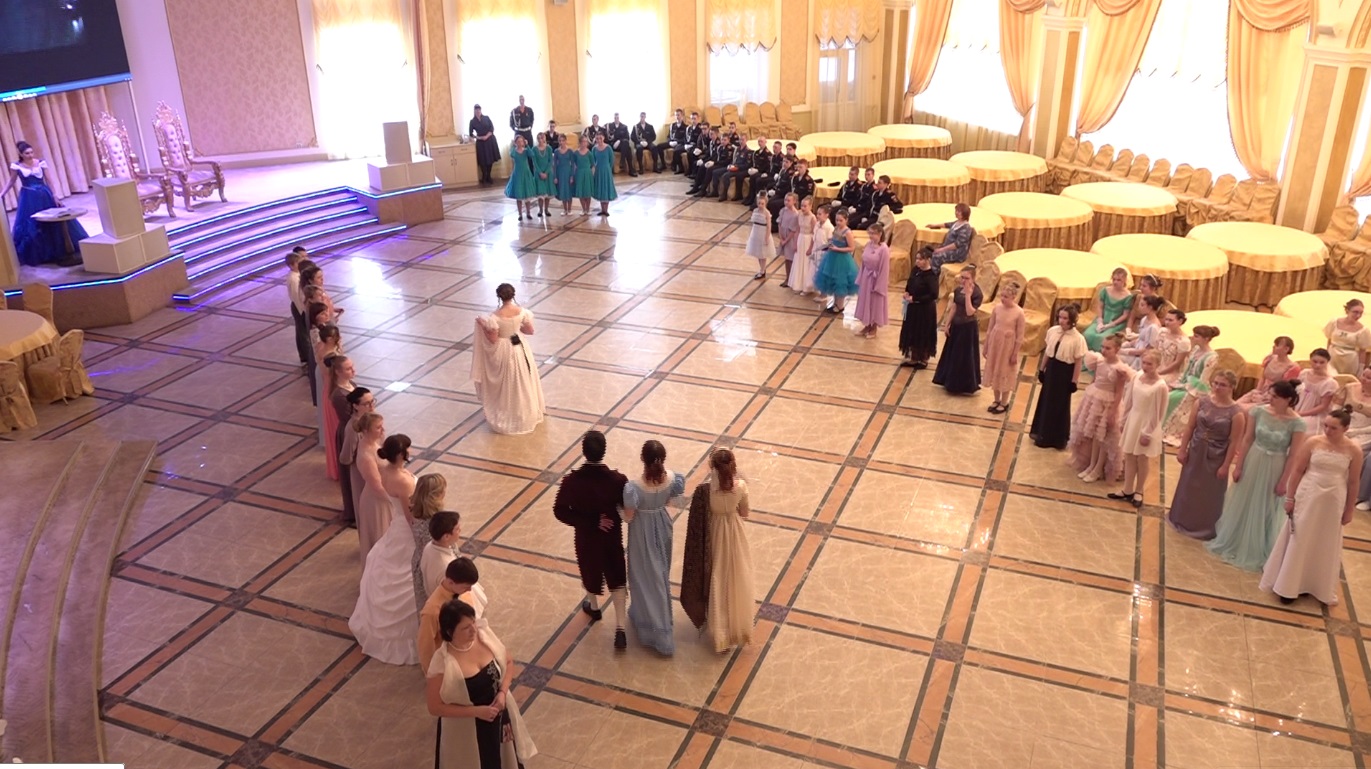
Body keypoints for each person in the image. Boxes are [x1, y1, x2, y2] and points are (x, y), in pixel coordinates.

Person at [1260, 407, 1362, 606]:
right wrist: (1290, 498)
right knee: (1300, 537)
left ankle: (1311, 584)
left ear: (1346, 429)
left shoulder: (1354, 450)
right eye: (1326, 426)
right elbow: (1298, 471)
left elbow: (1353, 482)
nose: (1327, 431)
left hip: (1333, 500)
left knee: (1323, 541)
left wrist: (1349, 509)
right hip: (1309, 494)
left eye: (1333, 428)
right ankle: (1288, 586)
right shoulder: (1313, 442)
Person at [425, 600, 537, 768]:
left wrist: (502, 693)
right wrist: (476, 712)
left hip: (498, 715)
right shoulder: (442, 662)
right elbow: (434, 707)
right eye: (466, 628)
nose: (473, 630)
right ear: (450, 632)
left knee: (504, 759)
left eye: (473, 622)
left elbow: (508, 662)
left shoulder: (484, 636)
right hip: (466, 729)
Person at [1208, 381, 1306, 570]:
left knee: (1266, 505)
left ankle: (1257, 546)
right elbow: (1247, 440)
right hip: (1254, 460)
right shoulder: (1258, 412)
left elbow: (1293, 455)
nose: (1270, 399)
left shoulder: (1297, 423)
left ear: (1288, 399)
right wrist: (1238, 466)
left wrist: (1284, 481)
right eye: (1270, 394)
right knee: (1245, 499)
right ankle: (1236, 539)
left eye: (1275, 396)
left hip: (1276, 466)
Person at [553, 430, 630, 650]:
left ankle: (594, 608)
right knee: (617, 576)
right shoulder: (618, 480)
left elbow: (559, 511)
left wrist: (590, 521)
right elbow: (625, 507)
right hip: (611, 537)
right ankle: (620, 628)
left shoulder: (571, 481)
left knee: (589, 571)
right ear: (604, 451)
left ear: (583, 452)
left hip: (587, 538)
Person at [349, 434, 421, 665]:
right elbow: (410, 516)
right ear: (401, 454)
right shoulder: (403, 481)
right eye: (408, 449)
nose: (411, 451)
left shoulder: (385, 471)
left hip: (395, 526)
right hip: (405, 529)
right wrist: (423, 536)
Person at [622, 440, 685, 656]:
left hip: (642, 533)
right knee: (660, 573)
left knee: (643, 577)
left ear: (642, 458)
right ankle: (656, 621)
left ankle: (655, 628)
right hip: (663, 526)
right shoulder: (672, 479)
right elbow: (670, 500)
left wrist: (617, 508)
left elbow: (628, 517)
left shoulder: (634, 487)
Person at [1166, 370, 1245, 539]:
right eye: (1215, 383)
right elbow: (1190, 427)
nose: (1217, 387)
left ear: (1232, 387)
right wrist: (1182, 449)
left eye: (1222, 385)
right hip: (1196, 450)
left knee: (1208, 492)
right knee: (1188, 484)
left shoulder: (1237, 413)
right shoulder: (1201, 402)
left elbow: (1234, 442)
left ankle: (1203, 526)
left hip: (1217, 456)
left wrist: (1226, 466)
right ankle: (1181, 518)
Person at [470, 283, 545, 435]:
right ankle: (526, 412)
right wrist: (515, 328)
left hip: (504, 349)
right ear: (513, 295)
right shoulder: (522, 312)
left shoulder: (494, 317)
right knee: (523, 378)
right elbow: (530, 331)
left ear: (499, 296)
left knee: (507, 380)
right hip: (520, 347)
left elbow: (493, 339)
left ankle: (509, 412)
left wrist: (483, 326)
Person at [701, 449, 755, 654]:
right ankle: (737, 628)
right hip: (734, 533)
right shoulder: (740, 487)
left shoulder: (707, 490)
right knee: (736, 575)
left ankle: (719, 631)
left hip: (715, 532)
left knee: (717, 575)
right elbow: (745, 513)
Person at [2, 141, 89, 267]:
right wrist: (2, 193)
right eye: (27, 153)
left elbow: (49, 180)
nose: (30, 155)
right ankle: (40, 254)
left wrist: (55, 195)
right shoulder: (16, 166)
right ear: (21, 154)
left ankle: (62, 249)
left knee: (55, 221)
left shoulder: (41, 163)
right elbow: (11, 181)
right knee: (32, 224)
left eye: (31, 152)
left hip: (44, 195)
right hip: (29, 197)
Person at [1069, 335, 1133, 483]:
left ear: (1117, 349)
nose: (1103, 350)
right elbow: (1095, 379)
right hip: (1095, 399)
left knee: (1103, 437)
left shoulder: (1119, 369)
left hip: (1108, 403)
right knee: (1094, 435)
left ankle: (1098, 468)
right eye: (1103, 347)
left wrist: (1113, 412)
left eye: (1108, 348)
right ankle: (1091, 465)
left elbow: (1119, 392)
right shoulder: (1098, 361)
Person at [1111, 351, 1168, 508]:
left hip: (1147, 423)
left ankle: (1139, 490)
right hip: (1133, 420)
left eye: (1150, 364)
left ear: (1157, 365)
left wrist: (1147, 433)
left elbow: (1158, 413)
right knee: (1129, 455)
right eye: (1144, 363)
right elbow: (1129, 400)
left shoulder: (1160, 386)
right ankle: (1127, 489)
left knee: (1142, 458)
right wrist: (1123, 421)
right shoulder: (1137, 377)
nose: (1145, 366)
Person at [1031, 305, 1088, 449]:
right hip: (1052, 369)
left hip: (1064, 373)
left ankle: (1057, 438)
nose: (1061, 321)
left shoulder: (1078, 338)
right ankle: (1042, 434)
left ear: (1072, 320)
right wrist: (1041, 369)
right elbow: (1048, 352)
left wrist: (1074, 381)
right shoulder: (1052, 331)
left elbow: (1078, 362)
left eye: (1065, 318)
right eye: (1060, 317)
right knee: (1046, 401)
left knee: (1060, 405)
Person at [1162, 325, 1221, 444]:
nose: (1193, 338)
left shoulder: (1212, 357)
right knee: (1163, 391)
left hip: (1196, 389)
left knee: (1171, 397)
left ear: (1206, 339)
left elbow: (1203, 380)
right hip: (1185, 383)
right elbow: (1186, 371)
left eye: (1197, 336)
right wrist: (1177, 383)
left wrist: (1184, 387)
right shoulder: (1195, 350)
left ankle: (1169, 431)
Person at [418, 557, 480, 671]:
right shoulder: (432, 611)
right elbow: (425, 647)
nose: (470, 590)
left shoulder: (460, 592)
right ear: (451, 582)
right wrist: (432, 673)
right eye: (466, 587)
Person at [933, 265, 984, 394]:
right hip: (956, 325)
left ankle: (963, 385)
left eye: (966, 278)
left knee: (964, 356)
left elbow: (970, 311)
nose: (963, 281)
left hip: (968, 328)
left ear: (973, 278)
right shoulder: (957, 290)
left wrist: (968, 295)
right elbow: (955, 307)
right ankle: (949, 382)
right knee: (953, 354)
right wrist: (947, 324)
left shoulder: (977, 293)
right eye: (962, 277)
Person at [982, 281, 1025, 413]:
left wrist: (1014, 353)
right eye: (1002, 295)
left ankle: (1004, 402)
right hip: (996, 343)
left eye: (1006, 296)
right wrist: (986, 345)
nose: (1003, 298)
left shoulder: (1019, 313)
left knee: (1005, 371)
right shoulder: (997, 308)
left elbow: (1020, 335)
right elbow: (990, 328)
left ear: (1013, 297)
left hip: (1007, 347)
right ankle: (996, 399)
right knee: (995, 368)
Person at [408, 473, 448, 610]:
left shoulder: (416, 512)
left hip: (419, 562)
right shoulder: (437, 522)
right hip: (434, 566)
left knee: (424, 603)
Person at [338, 387, 376, 526]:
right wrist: (362, 458)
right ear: (355, 406)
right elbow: (345, 457)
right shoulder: (353, 428)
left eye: (373, 401)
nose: (372, 406)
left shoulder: (372, 419)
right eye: (367, 404)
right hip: (361, 472)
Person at [353, 413, 388, 558]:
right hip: (376, 502)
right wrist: (396, 498)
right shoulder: (366, 456)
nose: (383, 430)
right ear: (366, 430)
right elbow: (377, 486)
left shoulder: (373, 442)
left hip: (383, 498)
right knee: (381, 539)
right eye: (378, 427)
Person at [900, 246, 940, 369]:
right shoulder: (915, 270)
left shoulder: (931, 276)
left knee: (923, 332)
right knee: (912, 331)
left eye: (921, 259)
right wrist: (907, 292)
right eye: (917, 259)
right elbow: (910, 283)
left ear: (928, 260)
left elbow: (933, 295)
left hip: (925, 310)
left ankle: (923, 358)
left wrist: (915, 298)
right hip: (913, 308)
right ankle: (913, 357)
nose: (917, 261)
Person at [1237, 336, 1301, 409]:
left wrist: (1267, 396)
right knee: (1236, 405)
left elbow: (1283, 389)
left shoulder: (1291, 367)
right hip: (1261, 391)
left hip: (1273, 396)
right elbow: (1263, 377)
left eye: (1277, 345)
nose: (1274, 347)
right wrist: (1257, 391)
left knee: (1246, 409)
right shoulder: (1270, 358)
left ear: (1286, 349)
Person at [813, 210, 857, 314]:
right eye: (837, 220)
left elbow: (851, 248)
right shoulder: (836, 228)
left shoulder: (847, 232)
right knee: (833, 281)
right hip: (832, 257)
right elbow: (833, 240)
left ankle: (840, 305)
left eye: (841, 220)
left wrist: (837, 249)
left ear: (846, 220)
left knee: (840, 282)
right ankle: (835, 303)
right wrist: (829, 245)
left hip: (842, 260)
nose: (838, 222)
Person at [1083, 269, 1136, 352]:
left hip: (1116, 323)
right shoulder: (1105, 290)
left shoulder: (1128, 296)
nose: (1115, 282)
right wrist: (1100, 321)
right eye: (1114, 279)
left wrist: (1110, 325)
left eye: (1118, 280)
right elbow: (1100, 307)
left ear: (1124, 281)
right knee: (1087, 334)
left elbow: (1125, 315)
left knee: (1101, 338)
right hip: (1102, 318)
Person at [854, 222, 891, 339]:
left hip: (876, 279)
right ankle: (867, 325)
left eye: (873, 234)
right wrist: (861, 278)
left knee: (875, 303)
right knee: (865, 301)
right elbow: (863, 262)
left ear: (880, 234)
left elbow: (884, 269)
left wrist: (879, 285)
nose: (870, 236)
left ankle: (873, 327)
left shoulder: (884, 249)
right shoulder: (868, 244)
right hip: (867, 277)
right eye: (869, 233)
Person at [322, 354, 354, 482]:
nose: (353, 371)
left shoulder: (351, 384)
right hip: (350, 429)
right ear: (338, 372)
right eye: (348, 369)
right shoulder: (339, 395)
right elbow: (348, 417)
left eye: (352, 367)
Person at [1296, 349, 1338, 435]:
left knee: (1301, 425)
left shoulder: (1329, 383)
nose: (1317, 365)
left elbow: (1323, 406)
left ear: (1327, 362)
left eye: (1322, 362)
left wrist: (1301, 414)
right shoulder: (1304, 373)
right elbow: (1296, 392)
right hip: (1298, 407)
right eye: (1315, 361)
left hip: (1316, 414)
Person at [421, 512, 463, 598]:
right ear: (446, 536)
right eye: (457, 529)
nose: (460, 530)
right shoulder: (446, 567)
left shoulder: (430, 545)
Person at [1324, 299, 1371, 375]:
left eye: (1361, 313)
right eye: (1355, 312)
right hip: (1333, 356)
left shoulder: (1363, 330)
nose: (1358, 315)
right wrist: (1326, 356)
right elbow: (1329, 340)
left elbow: (1362, 351)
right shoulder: (1334, 322)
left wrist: (1360, 369)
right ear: (1347, 310)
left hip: (1350, 360)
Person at [925, 202, 974, 273]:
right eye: (956, 210)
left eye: (959, 211)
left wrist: (942, 250)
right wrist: (934, 225)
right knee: (929, 252)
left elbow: (957, 244)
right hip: (948, 248)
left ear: (964, 214)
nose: (956, 213)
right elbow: (947, 224)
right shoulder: (957, 222)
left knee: (936, 257)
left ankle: (935, 276)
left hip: (957, 253)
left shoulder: (966, 228)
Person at [1120, 295, 1164, 370]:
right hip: (1136, 349)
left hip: (1142, 357)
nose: (1139, 307)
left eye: (1142, 305)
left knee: (1117, 358)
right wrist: (1127, 344)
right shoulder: (1144, 319)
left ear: (1150, 307)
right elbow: (1140, 339)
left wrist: (1127, 352)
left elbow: (1149, 350)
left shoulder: (1153, 327)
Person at [1154, 308, 1191, 390]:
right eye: (1166, 319)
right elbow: (1155, 350)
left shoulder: (1183, 341)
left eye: (1170, 320)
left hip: (1172, 372)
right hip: (1156, 365)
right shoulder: (1162, 332)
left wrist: (1159, 372)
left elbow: (1177, 363)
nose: (1167, 322)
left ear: (1180, 321)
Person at [285, 250, 310, 372]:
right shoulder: (294, 279)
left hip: (300, 306)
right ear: (291, 265)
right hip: (299, 308)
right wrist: (304, 311)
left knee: (302, 333)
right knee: (303, 334)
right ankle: (307, 358)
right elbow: (297, 297)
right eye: (298, 263)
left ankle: (305, 357)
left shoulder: (298, 275)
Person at [503, 135, 537, 222]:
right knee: (519, 195)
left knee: (527, 195)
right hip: (517, 174)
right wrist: (513, 146)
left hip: (526, 174)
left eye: (521, 141)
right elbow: (512, 154)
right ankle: (520, 214)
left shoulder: (525, 151)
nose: (520, 143)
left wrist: (527, 145)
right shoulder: (514, 151)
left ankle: (528, 213)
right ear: (515, 143)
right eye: (518, 141)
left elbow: (531, 154)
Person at [789, 196, 818, 294]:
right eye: (802, 205)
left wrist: (810, 248)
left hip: (808, 240)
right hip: (800, 239)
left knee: (806, 263)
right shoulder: (799, 215)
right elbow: (797, 229)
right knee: (799, 261)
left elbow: (814, 234)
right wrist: (795, 243)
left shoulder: (813, 218)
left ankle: (806, 287)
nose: (803, 208)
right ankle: (798, 285)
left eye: (805, 206)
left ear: (810, 206)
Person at [744, 192, 773, 281]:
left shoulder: (767, 213)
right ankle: (761, 269)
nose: (760, 205)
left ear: (765, 203)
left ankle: (763, 270)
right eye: (759, 203)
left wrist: (767, 237)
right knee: (758, 253)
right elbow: (753, 223)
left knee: (763, 254)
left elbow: (769, 226)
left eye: (762, 204)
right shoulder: (755, 211)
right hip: (756, 232)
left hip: (763, 233)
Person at [468, 106, 500, 186]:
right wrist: (479, 137)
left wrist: (486, 136)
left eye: (479, 109)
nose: (478, 111)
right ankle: (484, 176)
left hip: (490, 140)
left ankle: (489, 176)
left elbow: (492, 128)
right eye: (476, 110)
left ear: (481, 110)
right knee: (482, 160)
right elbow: (471, 134)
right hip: (480, 142)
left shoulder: (486, 118)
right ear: (474, 111)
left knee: (490, 159)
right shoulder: (472, 121)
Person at [775, 193, 800, 287]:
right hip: (783, 236)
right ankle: (787, 278)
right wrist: (781, 237)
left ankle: (791, 279)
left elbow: (793, 230)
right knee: (786, 259)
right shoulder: (783, 211)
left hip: (790, 238)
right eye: (785, 200)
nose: (786, 202)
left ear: (794, 201)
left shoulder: (795, 214)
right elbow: (779, 223)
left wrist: (786, 240)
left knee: (791, 259)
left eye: (789, 200)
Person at [590, 132, 617, 217]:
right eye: (597, 138)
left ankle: (606, 210)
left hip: (606, 171)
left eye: (600, 138)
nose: (599, 140)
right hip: (598, 171)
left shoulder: (608, 148)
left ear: (603, 138)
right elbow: (593, 160)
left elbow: (611, 160)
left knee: (606, 187)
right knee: (600, 188)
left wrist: (608, 168)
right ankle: (602, 210)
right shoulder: (594, 149)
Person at [530, 132, 554, 219]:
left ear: (545, 138)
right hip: (538, 174)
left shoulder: (549, 148)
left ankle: (546, 210)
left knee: (547, 194)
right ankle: (540, 210)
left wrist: (546, 172)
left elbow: (550, 161)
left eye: (542, 138)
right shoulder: (534, 149)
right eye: (539, 138)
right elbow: (534, 162)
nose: (540, 140)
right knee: (540, 194)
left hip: (548, 173)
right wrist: (540, 172)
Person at [552, 137, 576, 216]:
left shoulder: (570, 151)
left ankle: (570, 209)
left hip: (568, 172)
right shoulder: (556, 151)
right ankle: (565, 209)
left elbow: (573, 164)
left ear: (566, 141)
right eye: (560, 141)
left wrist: (572, 175)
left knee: (569, 191)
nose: (561, 142)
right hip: (560, 173)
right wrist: (555, 176)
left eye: (563, 140)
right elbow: (554, 165)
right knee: (562, 190)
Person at [661, 109, 689, 174]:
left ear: (682, 116)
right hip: (671, 142)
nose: (677, 117)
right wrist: (669, 141)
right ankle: (663, 164)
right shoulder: (672, 125)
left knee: (677, 150)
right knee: (659, 146)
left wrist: (677, 142)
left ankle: (677, 166)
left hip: (679, 143)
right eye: (676, 115)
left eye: (678, 115)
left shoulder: (686, 127)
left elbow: (685, 139)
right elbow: (668, 136)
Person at [572, 136, 594, 216]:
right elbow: (573, 164)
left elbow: (592, 164)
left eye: (585, 142)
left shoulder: (589, 153)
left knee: (587, 192)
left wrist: (591, 173)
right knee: (581, 192)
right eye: (583, 142)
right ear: (580, 143)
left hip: (587, 174)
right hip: (579, 173)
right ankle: (583, 209)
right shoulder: (576, 153)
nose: (584, 143)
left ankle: (588, 209)